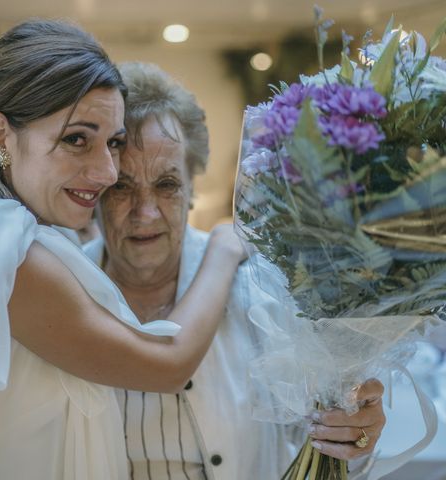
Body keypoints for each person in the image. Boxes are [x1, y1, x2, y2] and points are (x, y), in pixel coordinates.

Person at [0, 20, 247, 480]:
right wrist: (225, 246)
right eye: (76, 139)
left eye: (113, 143)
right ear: (0, 136)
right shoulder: (6, 247)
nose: (105, 171)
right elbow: (167, 365)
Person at [84, 62, 387, 479]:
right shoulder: (69, 284)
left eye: (167, 184)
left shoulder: (259, 285)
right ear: (94, 190)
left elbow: (325, 439)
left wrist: (356, 437)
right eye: (122, 187)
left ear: (192, 189)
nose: (146, 212)